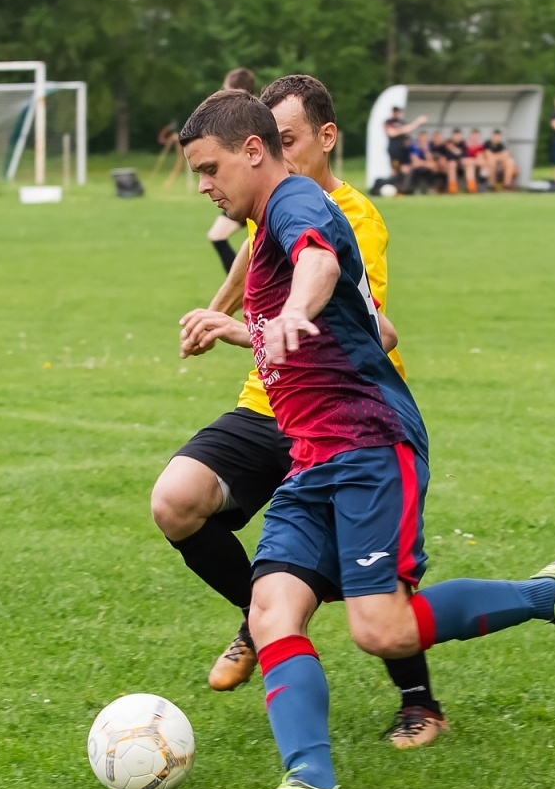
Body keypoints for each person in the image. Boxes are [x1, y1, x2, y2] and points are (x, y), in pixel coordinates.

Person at [176, 88, 555, 789]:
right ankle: (310, 785)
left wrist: (297, 307)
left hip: (366, 444)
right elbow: (363, 331)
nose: (203, 185)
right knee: (271, 609)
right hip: (310, 452)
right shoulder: (266, 227)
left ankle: (549, 594)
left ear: (253, 151)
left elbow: (321, 267)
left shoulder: (296, 205)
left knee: (378, 629)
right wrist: (239, 329)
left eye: (208, 167)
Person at [155, 74, 445, 749]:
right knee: (176, 501)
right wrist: (220, 316)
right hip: (269, 405)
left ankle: (417, 698)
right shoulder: (268, 212)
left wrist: (290, 316)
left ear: (319, 140)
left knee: (374, 598)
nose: (282, 152)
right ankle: (261, 622)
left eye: (289, 140)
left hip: (345, 411)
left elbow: (373, 324)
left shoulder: (342, 215)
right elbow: (255, 259)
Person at [205, 67, 258, 272]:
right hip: (244, 190)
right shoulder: (251, 118)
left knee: (218, 236)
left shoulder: (244, 122)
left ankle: (244, 289)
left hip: (247, 191)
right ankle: (245, 289)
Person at [383, 106, 426, 179]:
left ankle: (403, 186)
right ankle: (394, 183)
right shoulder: (388, 122)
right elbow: (392, 133)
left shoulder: (402, 122)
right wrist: (407, 128)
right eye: (395, 112)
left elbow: (408, 131)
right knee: (395, 168)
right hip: (394, 151)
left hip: (403, 151)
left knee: (405, 168)